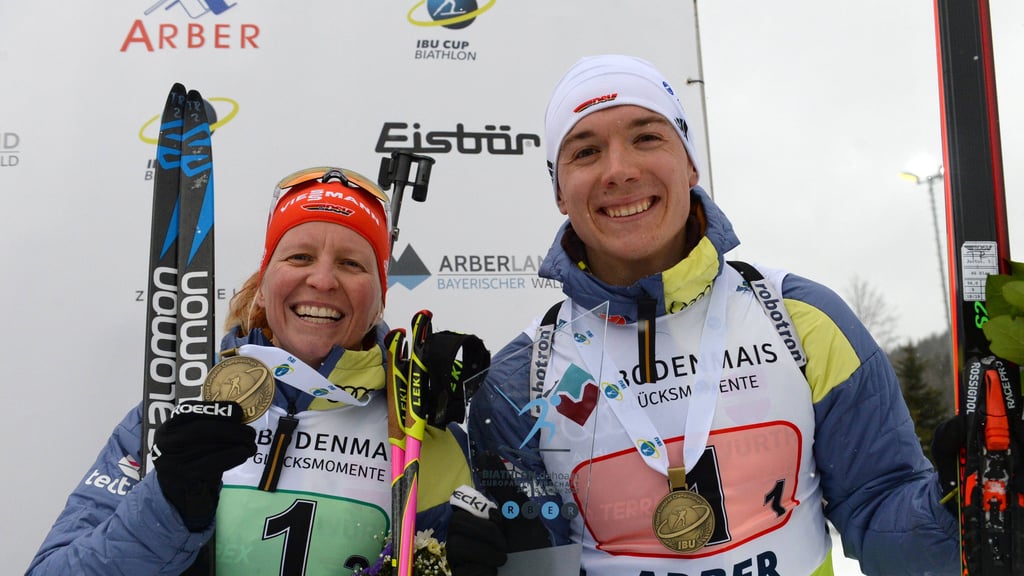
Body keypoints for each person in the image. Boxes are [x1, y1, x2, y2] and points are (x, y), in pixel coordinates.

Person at [466, 55, 960, 575]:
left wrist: (954, 509)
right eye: (586, 151)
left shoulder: (802, 319)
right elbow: (533, 565)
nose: (619, 170)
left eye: (647, 137)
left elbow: (882, 512)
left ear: (690, 165)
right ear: (559, 192)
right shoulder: (519, 381)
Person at [27, 166, 496, 575]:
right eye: (300, 256)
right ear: (265, 281)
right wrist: (166, 507)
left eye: (352, 263)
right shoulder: (175, 413)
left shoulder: (415, 432)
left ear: (380, 297)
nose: (322, 280)